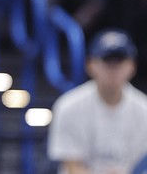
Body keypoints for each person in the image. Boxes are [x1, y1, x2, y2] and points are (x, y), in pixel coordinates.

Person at [48, 28, 147, 174]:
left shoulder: (143, 109)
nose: (113, 69)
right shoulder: (68, 106)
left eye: (119, 61)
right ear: (90, 65)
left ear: (132, 66)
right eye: (107, 61)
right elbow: (72, 166)